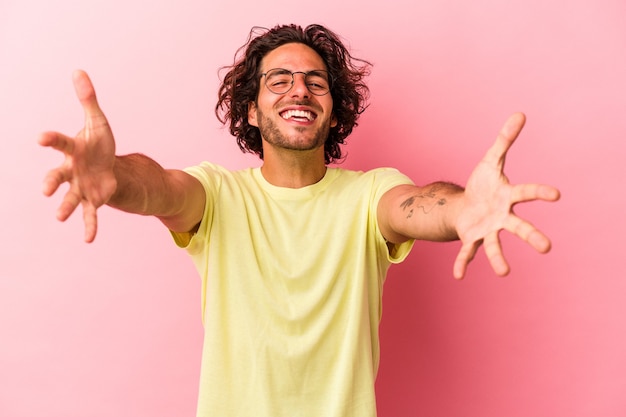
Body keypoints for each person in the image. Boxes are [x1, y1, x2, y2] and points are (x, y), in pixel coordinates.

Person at [39, 24, 560, 417]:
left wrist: (465, 207)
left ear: (333, 111)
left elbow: (418, 204)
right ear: (250, 109)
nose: (299, 91)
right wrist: (116, 176)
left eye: (316, 83)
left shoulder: (368, 193)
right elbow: (160, 187)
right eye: (279, 80)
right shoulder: (219, 194)